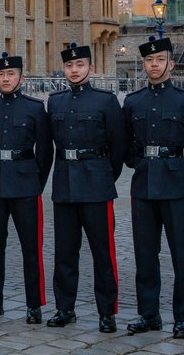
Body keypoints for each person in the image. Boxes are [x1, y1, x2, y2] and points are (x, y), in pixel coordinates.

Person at [122, 36, 184, 339]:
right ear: (143, 64)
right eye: (149, 60)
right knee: (145, 254)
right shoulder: (134, 102)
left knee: (182, 255)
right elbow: (125, 142)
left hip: (177, 186)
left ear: (171, 63)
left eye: (160, 59)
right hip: (144, 184)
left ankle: (183, 317)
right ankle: (149, 314)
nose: (154, 65)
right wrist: (136, 162)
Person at [46, 42, 128, 333]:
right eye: (69, 66)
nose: (74, 70)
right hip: (65, 185)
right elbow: (51, 144)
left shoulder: (105, 101)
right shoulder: (55, 101)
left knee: (102, 252)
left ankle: (107, 311)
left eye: (80, 65)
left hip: (96, 184)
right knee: (65, 252)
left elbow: (118, 146)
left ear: (90, 68)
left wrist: (106, 175)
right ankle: (64, 307)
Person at [0, 52, 53, 323]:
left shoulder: (34, 108)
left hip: (26, 184)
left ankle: (34, 305)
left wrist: (36, 184)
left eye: (10, 74)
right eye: (1, 75)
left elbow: (44, 151)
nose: (5, 79)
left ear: (21, 77)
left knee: (31, 248)